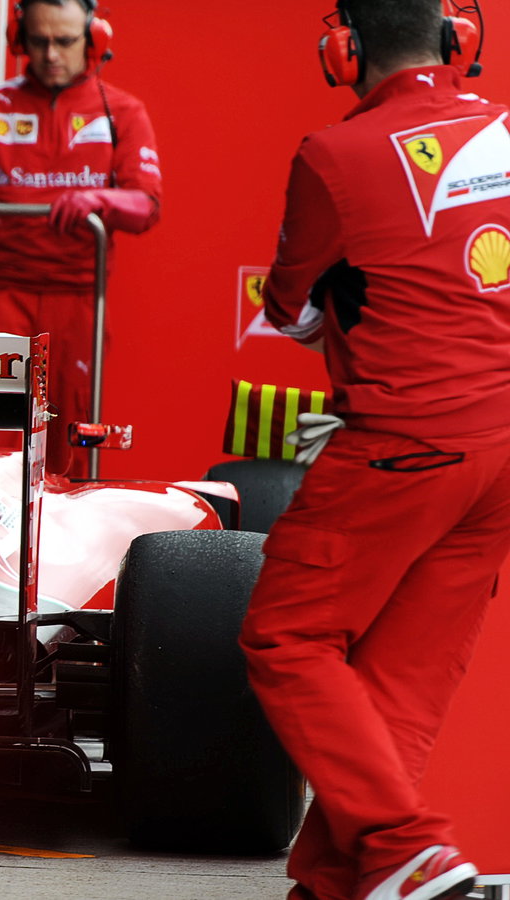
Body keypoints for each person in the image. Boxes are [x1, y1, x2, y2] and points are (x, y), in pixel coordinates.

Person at [238, 2, 510, 899]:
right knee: (396, 684)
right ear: (457, 37)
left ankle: (404, 850)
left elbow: (285, 306)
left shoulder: (334, 155)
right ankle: (332, 883)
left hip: (407, 442)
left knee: (287, 637)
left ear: (342, 47)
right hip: (500, 456)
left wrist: (333, 307)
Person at [0, 0, 160, 475]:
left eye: (66, 41)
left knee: (68, 433)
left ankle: (62, 542)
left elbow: (147, 205)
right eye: (39, 40)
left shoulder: (123, 112)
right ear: (20, 39)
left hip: (78, 298)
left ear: (94, 39)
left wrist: (100, 200)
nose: (51, 54)